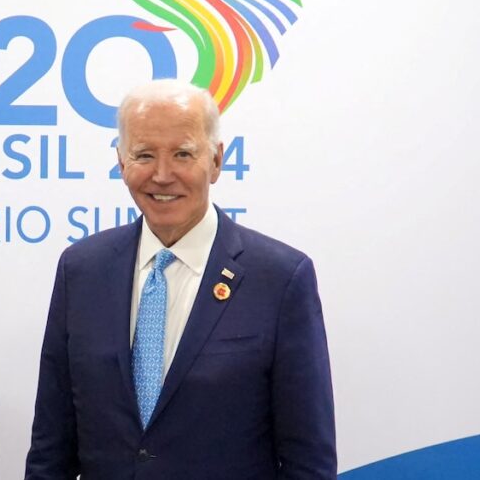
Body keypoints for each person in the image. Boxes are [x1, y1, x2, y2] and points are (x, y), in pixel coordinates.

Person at [25, 80, 336, 479]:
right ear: (121, 162)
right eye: (144, 155)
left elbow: (308, 462)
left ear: (217, 161)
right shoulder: (81, 272)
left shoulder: (280, 279)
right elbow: (51, 449)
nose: (162, 175)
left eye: (183, 154)